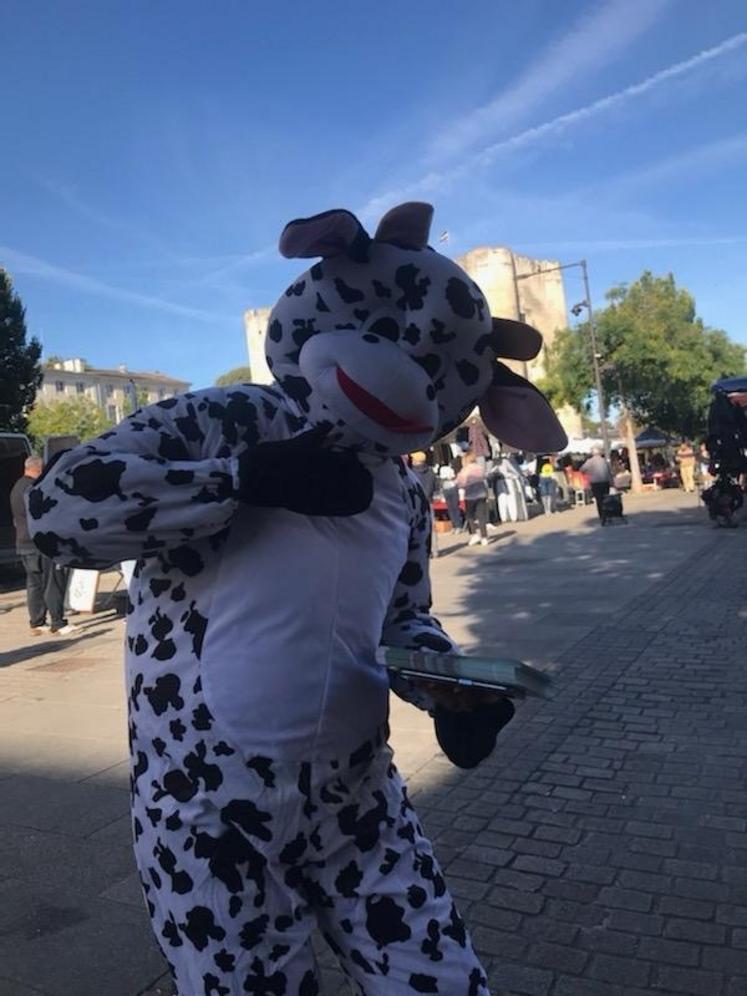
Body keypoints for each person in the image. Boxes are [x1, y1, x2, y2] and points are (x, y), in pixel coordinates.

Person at [28, 201, 566, 995]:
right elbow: (59, 510)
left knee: (442, 977)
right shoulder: (227, 419)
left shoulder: (405, 492)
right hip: (210, 808)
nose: (402, 375)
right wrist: (241, 479)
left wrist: (447, 689)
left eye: (432, 369)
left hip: (359, 800)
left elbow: (403, 616)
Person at [10, 455, 74, 636]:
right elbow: (45, 513)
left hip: (23, 542)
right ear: (39, 469)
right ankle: (58, 622)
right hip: (40, 542)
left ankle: (37, 622)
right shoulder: (35, 487)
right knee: (52, 581)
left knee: (34, 584)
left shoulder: (16, 487)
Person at [456, 448, 489, 545]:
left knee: (470, 516)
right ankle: (484, 537)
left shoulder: (465, 470)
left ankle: (474, 534)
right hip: (481, 494)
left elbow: (460, 483)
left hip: (470, 496)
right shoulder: (480, 468)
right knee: (481, 516)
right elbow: (484, 476)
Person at [410, 451, 439, 556]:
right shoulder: (431, 471)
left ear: (415, 460)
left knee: (417, 527)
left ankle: (423, 551)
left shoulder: (411, 472)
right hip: (429, 501)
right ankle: (435, 550)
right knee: (431, 526)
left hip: (416, 502)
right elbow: (436, 487)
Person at [580, 447, 612, 522]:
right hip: (605, 482)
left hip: (596, 483)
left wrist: (588, 472)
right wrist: (611, 482)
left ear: (592, 453)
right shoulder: (604, 460)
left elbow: (582, 469)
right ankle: (607, 514)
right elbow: (609, 471)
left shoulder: (590, 461)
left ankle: (602, 516)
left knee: (599, 499)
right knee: (605, 498)